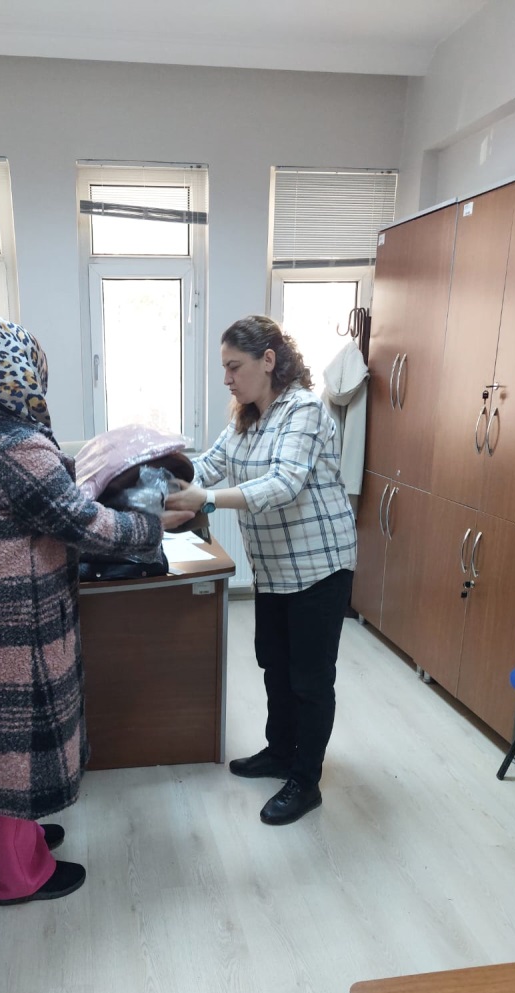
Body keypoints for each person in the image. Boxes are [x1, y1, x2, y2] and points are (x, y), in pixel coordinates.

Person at [0, 315, 193, 905]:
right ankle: (18, 875)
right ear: (23, 373)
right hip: (4, 625)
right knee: (12, 749)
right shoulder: (17, 445)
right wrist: (151, 525)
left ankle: (4, 842)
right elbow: (84, 525)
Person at [166, 314, 356, 825]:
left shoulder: (304, 410)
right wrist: (161, 477)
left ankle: (305, 780)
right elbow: (207, 465)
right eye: (224, 368)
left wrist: (205, 500)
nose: (226, 378)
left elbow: (283, 483)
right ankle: (279, 752)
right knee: (274, 664)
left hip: (319, 567)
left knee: (309, 679)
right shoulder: (246, 417)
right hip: (274, 569)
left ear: (268, 360)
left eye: (234, 366)